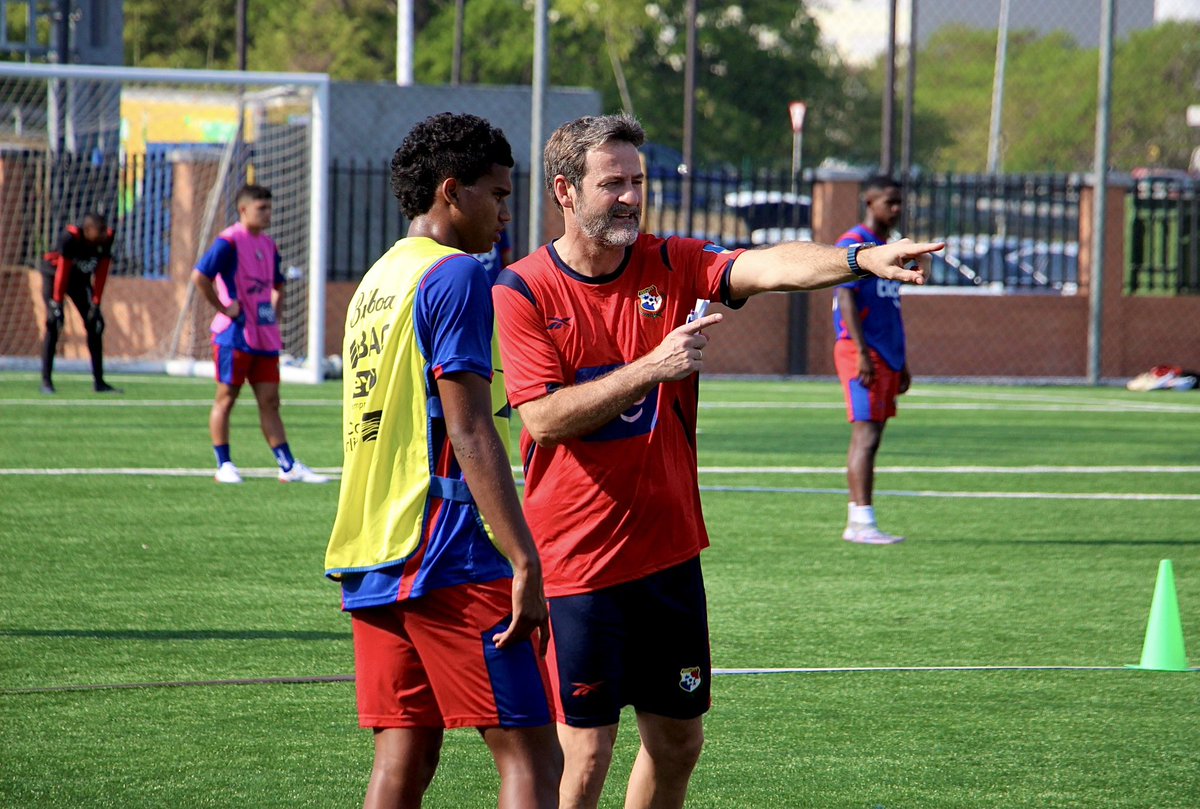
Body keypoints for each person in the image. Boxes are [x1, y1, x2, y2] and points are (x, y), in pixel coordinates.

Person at [492, 114, 940, 809]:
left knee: (678, 742)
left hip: (669, 555)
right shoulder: (522, 290)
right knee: (584, 756)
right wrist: (652, 366)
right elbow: (545, 420)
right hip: (577, 562)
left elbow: (766, 264)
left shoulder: (674, 262)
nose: (631, 197)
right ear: (565, 190)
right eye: (612, 183)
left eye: (638, 181)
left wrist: (856, 260)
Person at [324, 113, 561, 809]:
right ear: (451, 192)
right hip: (445, 550)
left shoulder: (376, 281)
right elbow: (470, 429)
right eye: (497, 193)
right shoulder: (457, 275)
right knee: (531, 758)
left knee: (404, 755)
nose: (506, 213)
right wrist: (524, 558)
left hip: (371, 550)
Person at [192, 184, 328, 485]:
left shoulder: (269, 245)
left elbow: (278, 284)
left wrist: (275, 314)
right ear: (244, 209)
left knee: (270, 401)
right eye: (261, 208)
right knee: (226, 398)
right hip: (234, 335)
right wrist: (224, 307)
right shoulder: (228, 242)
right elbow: (200, 276)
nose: (267, 214)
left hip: (263, 337)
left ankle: (287, 465)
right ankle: (224, 464)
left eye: (269, 207)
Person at [833, 175, 909, 545]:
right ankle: (860, 521)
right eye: (890, 202)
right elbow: (845, 297)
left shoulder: (887, 247)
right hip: (862, 351)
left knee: (874, 434)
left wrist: (902, 360)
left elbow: (889, 307)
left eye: (900, 202)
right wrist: (862, 352)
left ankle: (863, 518)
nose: (897, 209)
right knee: (865, 434)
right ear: (870, 202)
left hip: (886, 353)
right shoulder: (855, 245)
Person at [40, 212, 121, 395]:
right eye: (98, 231)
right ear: (87, 230)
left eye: (103, 230)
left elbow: (102, 272)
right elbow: (63, 271)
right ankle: (46, 381)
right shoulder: (70, 238)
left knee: (95, 324)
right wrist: (57, 304)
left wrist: (96, 303)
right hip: (55, 277)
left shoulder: (106, 239)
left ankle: (99, 382)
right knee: (54, 322)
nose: (102, 234)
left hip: (79, 281)